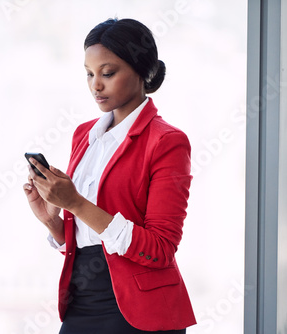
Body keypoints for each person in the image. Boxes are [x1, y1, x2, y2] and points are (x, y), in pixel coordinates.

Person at [23, 18, 196, 333]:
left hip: (140, 311)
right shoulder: (84, 135)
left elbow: (160, 249)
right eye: (89, 74)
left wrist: (75, 203)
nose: (95, 85)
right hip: (82, 299)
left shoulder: (167, 142)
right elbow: (89, 238)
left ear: (143, 71)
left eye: (108, 73)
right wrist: (52, 220)